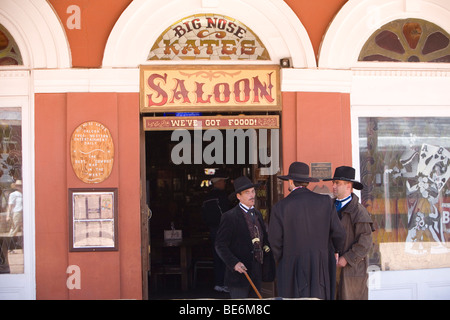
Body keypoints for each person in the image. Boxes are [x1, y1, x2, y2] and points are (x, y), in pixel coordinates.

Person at [268, 162, 346, 299]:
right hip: (320, 266)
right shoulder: (326, 202)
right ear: (307, 182)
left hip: (291, 266)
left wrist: (285, 258)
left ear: (290, 182)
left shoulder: (280, 207)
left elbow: (274, 242)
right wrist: (335, 251)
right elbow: (339, 233)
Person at [215, 176, 271, 299]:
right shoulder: (229, 217)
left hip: (257, 272)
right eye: (247, 193)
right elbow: (220, 245)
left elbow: (263, 240)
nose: (252, 195)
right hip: (239, 276)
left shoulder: (257, 214)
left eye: (253, 191)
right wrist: (234, 263)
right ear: (238, 196)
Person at [323, 166, 374, 300]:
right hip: (330, 269)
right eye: (333, 183)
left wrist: (346, 258)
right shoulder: (329, 207)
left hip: (352, 271)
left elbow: (365, 242)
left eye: (337, 183)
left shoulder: (359, 211)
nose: (333, 186)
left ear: (348, 186)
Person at [201, 170, 231, 293]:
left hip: (212, 229)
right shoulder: (222, 196)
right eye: (224, 181)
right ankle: (223, 283)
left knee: (217, 255)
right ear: (218, 182)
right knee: (225, 255)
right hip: (223, 229)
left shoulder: (206, 197)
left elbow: (203, 215)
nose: (225, 183)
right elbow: (227, 214)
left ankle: (218, 282)